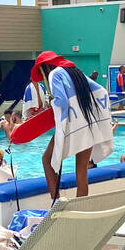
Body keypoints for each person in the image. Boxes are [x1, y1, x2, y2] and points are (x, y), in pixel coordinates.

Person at [26, 51, 114, 199]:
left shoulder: (55, 74)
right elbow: (101, 91)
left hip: (72, 126)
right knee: (81, 171)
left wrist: (51, 107)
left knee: (47, 160)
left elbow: (62, 102)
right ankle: (80, 208)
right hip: (89, 124)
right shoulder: (75, 72)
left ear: (45, 67)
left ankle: (57, 203)